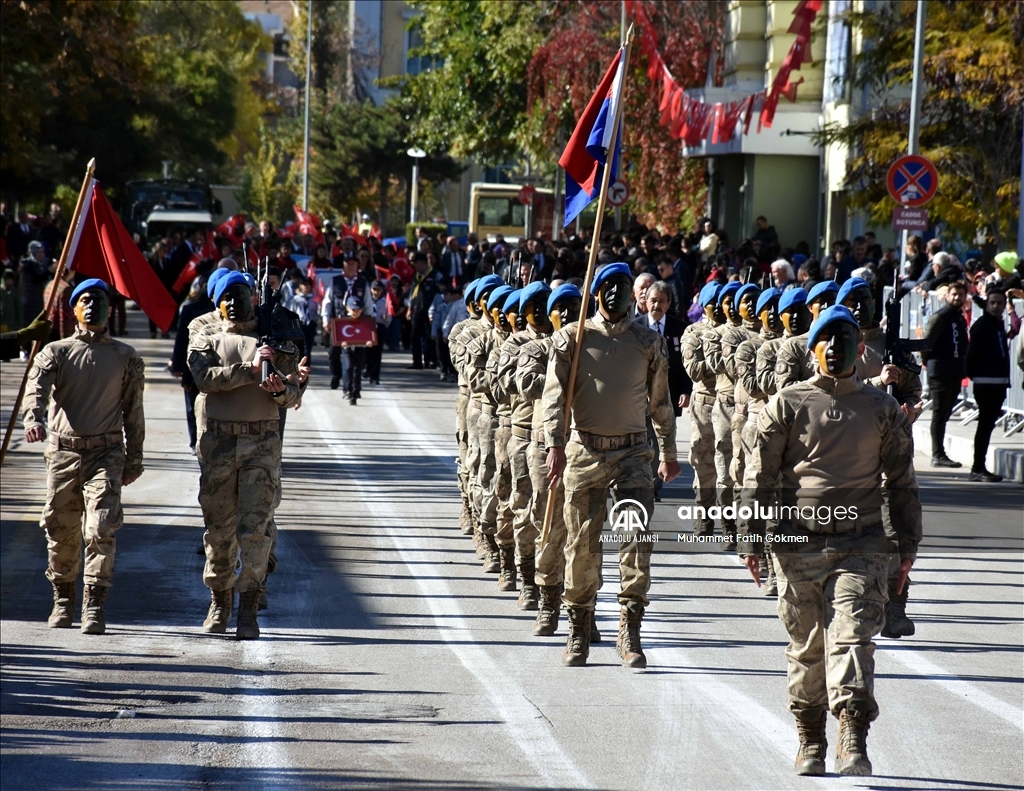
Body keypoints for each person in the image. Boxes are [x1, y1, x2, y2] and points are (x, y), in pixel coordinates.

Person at [738, 305, 922, 778]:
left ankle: (853, 734)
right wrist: (751, 539)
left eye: (845, 338)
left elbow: (901, 483)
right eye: (826, 338)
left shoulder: (882, 409)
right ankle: (810, 739)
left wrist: (906, 546)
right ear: (812, 349)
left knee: (854, 639)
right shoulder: (787, 403)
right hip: (797, 546)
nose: (836, 347)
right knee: (808, 646)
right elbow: (759, 477)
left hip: (860, 544)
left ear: (860, 350)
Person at [542, 263, 680, 669]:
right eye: (609, 286)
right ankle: (578, 628)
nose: (618, 293)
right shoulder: (572, 338)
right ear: (596, 293)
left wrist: (669, 452)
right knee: (581, 545)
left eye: (625, 286)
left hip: (633, 455)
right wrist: (554, 444)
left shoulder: (647, 341)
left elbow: (660, 401)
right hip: (584, 452)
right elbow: (554, 398)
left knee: (635, 539)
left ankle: (630, 630)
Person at [21, 279, 146, 635]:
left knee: (100, 529)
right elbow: (37, 391)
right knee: (61, 532)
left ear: (111, 309)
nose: (93, 306)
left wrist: (134, 459)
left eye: (100, 300)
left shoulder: (126, 357)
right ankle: (63, 600)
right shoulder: (55, 352)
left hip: (105, 454)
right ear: (74, 309)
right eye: (85, 300)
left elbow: (133, 412)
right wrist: (34, 420)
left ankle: (94, 606)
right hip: (63, 454)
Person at [188, 272, 301, 640]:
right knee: (219, 531)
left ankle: (249, 605)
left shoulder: (276, 336)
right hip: (219, 444)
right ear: (216, 303)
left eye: (240, 294)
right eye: (226, 296)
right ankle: (220, 598)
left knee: (255, 531)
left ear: (253, 298)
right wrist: (249, 370)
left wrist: (281, 387)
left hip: (262, 445)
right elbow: (204, 378)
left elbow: (293, 394)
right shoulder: (204, 334)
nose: (234, 302)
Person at [516, 284, 583, 636]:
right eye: (562, 309)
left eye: (575, 307)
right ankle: (547, 599)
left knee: (583, 534)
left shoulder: (593, 350)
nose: (570, 315)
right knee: (549, 526)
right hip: (547, 447)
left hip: (587, 448)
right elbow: (525, 383)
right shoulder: (540, 348)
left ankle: (580, 609)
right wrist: (562, 377)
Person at [466, 284, 514, 574]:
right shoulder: (480, 341)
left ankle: (509, 547)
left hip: (516, 423)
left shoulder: (525, 342)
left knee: (509, 489)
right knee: (485, 477)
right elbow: (474, 378)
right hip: (488, 418)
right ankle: (488, 538)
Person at [636, 281, 691, 501]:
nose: (657, 305)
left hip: (668, 396)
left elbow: (687, 365)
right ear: (645, 302)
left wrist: (686, 391)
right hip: (639, 397)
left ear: (668, 304)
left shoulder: (680, 329)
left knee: (662, 441)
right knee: (642, 441)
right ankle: (641, 483)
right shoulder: (635, 327)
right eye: (653, 300)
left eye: (661, 301)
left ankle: (654, 486)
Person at [702, 281, 745, 550]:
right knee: (724, 472)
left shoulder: (758, 334)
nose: (730, 306)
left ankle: (745, 528)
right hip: (726, 407)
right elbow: (717, 365)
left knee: (746, 473)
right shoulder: (716, 334)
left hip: (750, 410)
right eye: (726, 301)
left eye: (735, 300)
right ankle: (728, 527)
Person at [681, 283, 724, 538]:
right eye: (714, 303)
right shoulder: (694, 332)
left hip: (732, 404)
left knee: (732, 465)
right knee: (704, 462)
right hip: (706, 403)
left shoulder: (739, 331)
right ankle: (704, 516)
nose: (719, 308)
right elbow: (694, 370)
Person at [965, 288, 1011, 482]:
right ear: (986, 304)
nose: (995, 306)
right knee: (984, 425)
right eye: (992, 302)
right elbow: (971, 354)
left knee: (988, 424)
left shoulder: (999, 325)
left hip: (999, 383)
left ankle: (980, 466)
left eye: (999, 303)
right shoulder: (982, 325)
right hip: (985, 383)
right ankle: (977, 467)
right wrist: (974, 374)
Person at [922, 280, 969, 467]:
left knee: (946, 412)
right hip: (940, 371)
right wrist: (926, 362)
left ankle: (940, 453)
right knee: (939, 413)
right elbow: (927, 343)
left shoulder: (959, 317)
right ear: (947, 296)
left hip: (955, 372)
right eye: (954, 294)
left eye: (961, 294)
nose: (957, 297)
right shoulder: (940, 317)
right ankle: (937, 454)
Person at [171, 273, 215, 452]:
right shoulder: (190, 310)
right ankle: (194, 441)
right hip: (192, 366)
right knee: (192, 406)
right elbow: (182, 340)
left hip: (215, 369)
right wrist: (177, 366)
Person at [774, 281, 839, 391]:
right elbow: (785, 388)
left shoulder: (850, 339)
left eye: (832, 301)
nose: (827, 306)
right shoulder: (794, 345)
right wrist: (829, 387)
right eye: (821, 302)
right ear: (810, 307)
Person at [321, 256, 368, 390]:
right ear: (343, 265)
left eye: (353, 264)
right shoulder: (335, 281)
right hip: (338, 323)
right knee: (333, 353)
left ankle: (351, 381)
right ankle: (336, 374)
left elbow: (368, 302)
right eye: (348, 264)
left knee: (355, 354)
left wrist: (370, 322)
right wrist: (326, 320)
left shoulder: (363, 282)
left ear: (357, 266)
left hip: (357, 323)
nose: (350, 267)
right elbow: (327, 302)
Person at [408, 251, 443, 369]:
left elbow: (441, 291)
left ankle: (431, 360)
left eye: (416, 263)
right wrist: (410, 308)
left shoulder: (435, 274)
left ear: (422, 263)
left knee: (429, 336)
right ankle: (417, 362)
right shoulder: (416, 276)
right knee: (414, 336)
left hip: (430, 309)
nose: (415, 266)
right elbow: (412, 293)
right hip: (418, 309)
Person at [341, 295, 370, 406]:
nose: (355, 312)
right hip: (347, 348)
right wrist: (342, 342)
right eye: (353, 309)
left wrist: (369, 341)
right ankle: (348, 390)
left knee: (358, 370)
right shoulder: (343, 320)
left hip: (360, 348)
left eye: (357, 310)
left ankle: (356, 392)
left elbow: (370, 334)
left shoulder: (365, 321)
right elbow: (338, 334)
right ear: (347, 308)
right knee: (348, 368)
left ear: (362, 310)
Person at [366, 280, 391, 384]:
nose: (376, 292)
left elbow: (389, 316)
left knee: (377, 353)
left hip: (379, 327)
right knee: (368, 352)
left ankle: (375, 376)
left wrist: (386, 320)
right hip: (368, 327)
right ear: (370, 289)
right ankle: (368, 370)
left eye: (378, 290)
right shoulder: (367, 301)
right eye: (374, 289)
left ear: (382, 290)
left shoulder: (385, 302)